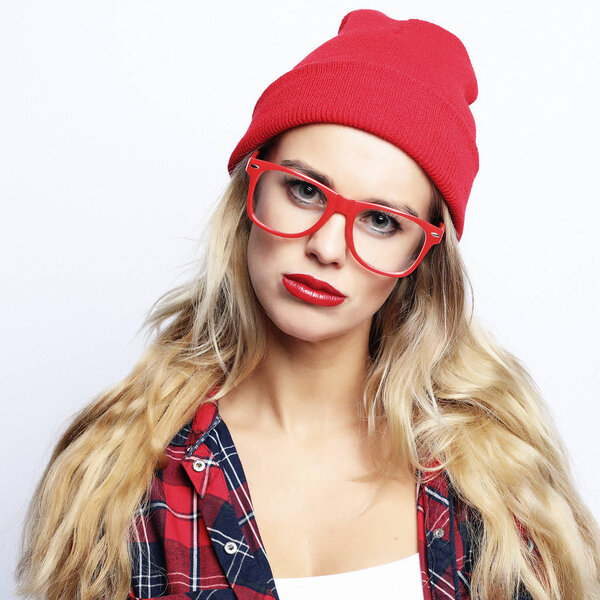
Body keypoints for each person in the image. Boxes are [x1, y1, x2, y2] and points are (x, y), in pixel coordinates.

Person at [14, 8, 600, 600]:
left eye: (379, 220)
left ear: (422, 255)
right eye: (304, 190)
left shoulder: (498, 486)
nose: (325, 247)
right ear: (251, 192)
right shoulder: (118, 474)